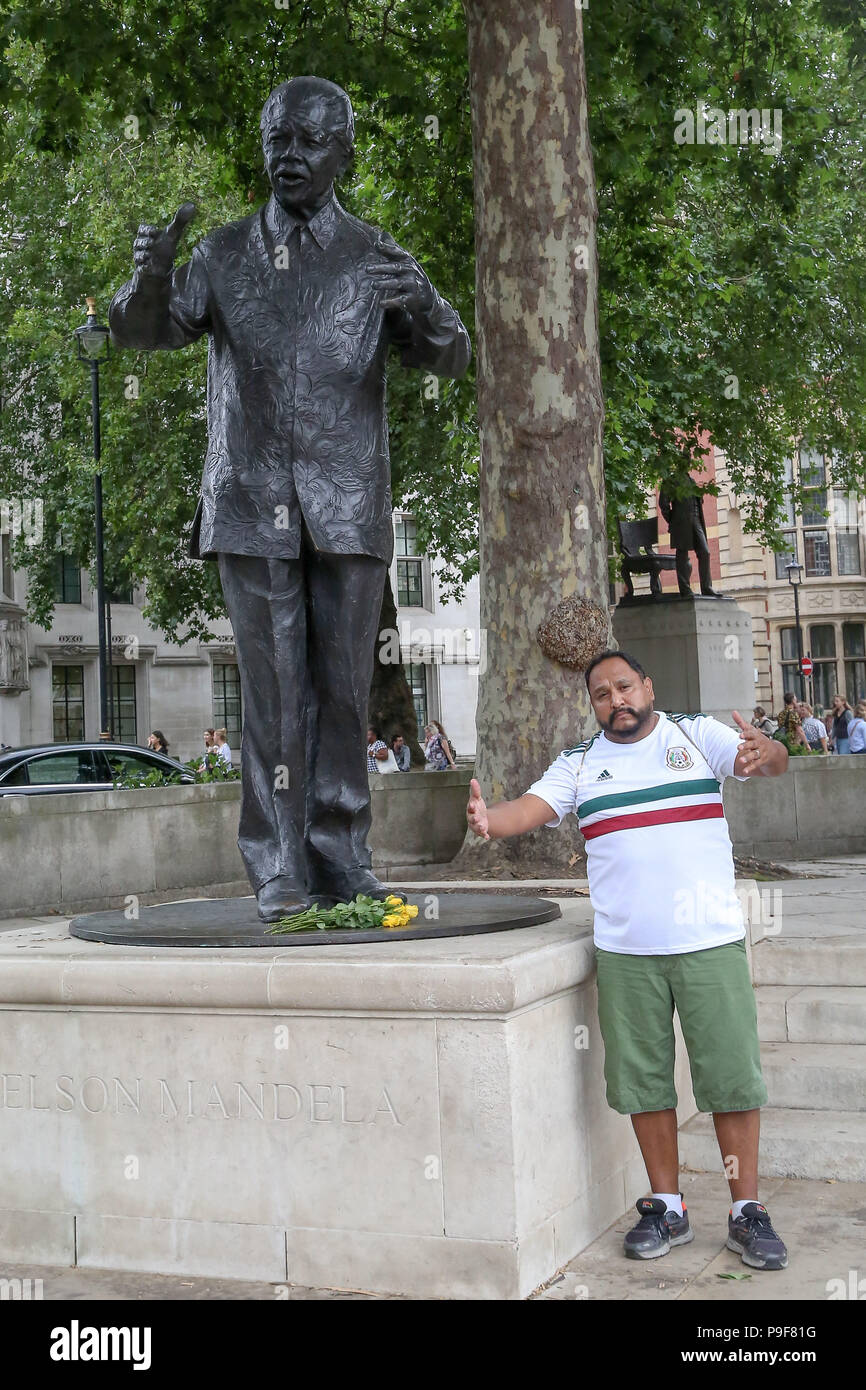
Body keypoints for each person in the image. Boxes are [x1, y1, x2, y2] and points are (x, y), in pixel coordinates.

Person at [109, 76, 471, 922]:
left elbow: (450, 358)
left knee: (345, 689)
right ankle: (275, 866)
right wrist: (149, 278)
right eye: (278, 141)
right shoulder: (224, 254)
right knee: (272, 694)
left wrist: (430, 306)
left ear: (343, 153)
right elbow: (141, 330)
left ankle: (343, 857)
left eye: (309, 142)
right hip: (250, 501)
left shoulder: (379, 257)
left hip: (346, 509)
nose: (290, 157)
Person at [466, 649, 790, 1272]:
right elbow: (527, 810)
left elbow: (767, 763)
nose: (615, 700)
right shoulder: (580, 765)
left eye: (624, 686)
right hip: (626, 954)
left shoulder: (696, 736)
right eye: (601, 694)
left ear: (647, 685)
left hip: (708, 944)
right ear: (593, 706)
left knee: (731, 1079)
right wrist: (489, 820)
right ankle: (667, 1205)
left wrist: (765, 752)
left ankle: (745, 1211)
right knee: (644, 1085)